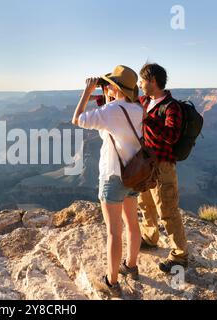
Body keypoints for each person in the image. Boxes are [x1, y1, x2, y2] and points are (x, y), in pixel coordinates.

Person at [71, 65, 143, 297]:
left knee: (114, 232)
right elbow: (113, 117)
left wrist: (86, 92)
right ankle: (131, 265)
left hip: (113, 176)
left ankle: (112, 282)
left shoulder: (112, 110)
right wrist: (104, 95)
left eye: (109, 84)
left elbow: (78, 119)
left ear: (115, 87)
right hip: (135, 174)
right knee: (132, 223)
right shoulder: (138, 108)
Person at [137, 63, 189, 272]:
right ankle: (150, 237)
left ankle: (180, 256)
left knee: (167, 210)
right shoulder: (143, 101)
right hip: (144, 164)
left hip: (163, 167)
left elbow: (171, 136)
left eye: (142, 81)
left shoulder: (171, 107)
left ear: (153, 81)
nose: (140, 85)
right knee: (145, 204)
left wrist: (148, 118)